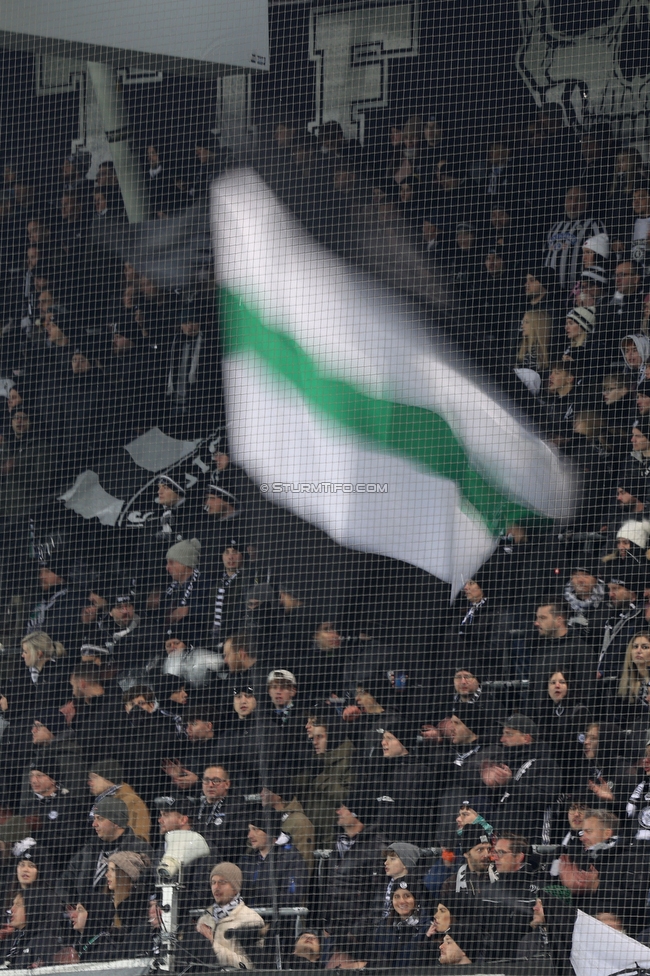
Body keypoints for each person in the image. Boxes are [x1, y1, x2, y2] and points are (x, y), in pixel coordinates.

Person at [194, 863, 265, 970]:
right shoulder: (205, 918)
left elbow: (249, 966)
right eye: (213, 882)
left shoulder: (251, 919)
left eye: (222, 882)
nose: (216, 887)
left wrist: (212, 944)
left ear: (235, 887)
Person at [372, 878, 431, 968]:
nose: (402, 901)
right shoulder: (384, 926)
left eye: (407, 896)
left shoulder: (426, 926)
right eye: (397, 897)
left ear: (416, 900)